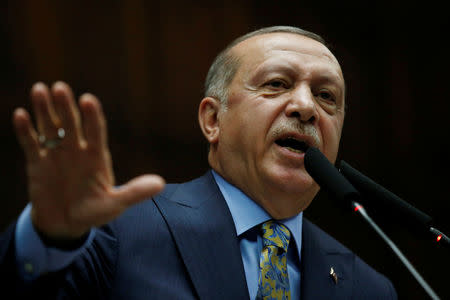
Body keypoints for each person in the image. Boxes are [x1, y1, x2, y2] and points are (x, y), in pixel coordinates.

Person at [0, 26, 397, 299]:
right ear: (213, 120)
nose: (306, 107)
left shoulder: (370, 288)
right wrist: (49, 239)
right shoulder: (118, 228)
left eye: (327, 96)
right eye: (276, 83)